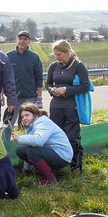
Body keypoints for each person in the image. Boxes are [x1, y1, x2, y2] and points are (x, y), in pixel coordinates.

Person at [45, 40, 89, 173]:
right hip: (56, 106)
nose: (57, 57)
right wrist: (52, 90)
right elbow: (47, 84)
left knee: (72, 136)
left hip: (72, 106)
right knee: (55, 136)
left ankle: (75, 165)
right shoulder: (54, 66)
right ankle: (56, 165)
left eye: (60, 54)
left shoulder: (78, 66)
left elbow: (85, 86)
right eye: (55, 55)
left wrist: (66, 90)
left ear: (67, 52)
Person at [11, 103, 72, 185]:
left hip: (62, 156)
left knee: (32, 151)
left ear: (35, 114)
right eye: (22, 117)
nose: (24, 118)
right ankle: (48, 171)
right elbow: (30, 144)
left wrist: (19, 138)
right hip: (53, 152)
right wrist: (26, 169)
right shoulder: (32, 126)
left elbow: (38, 141)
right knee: (20, 150)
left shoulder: (43, 122)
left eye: (27, 115)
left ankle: (50, 179)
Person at [3, 30, 43, 141]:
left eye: (25, 39)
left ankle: (31, 143)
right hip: (13, 98)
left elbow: (39, 78)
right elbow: (3, 77)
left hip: (30, 97)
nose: (22, 41)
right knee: (7, 124)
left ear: (29, 41)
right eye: (20, 38)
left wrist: (39, 98)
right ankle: (4, 148)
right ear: (16, 40)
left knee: (30, 124)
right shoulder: (8, 56)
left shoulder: (34, 58)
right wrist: (1, 94)